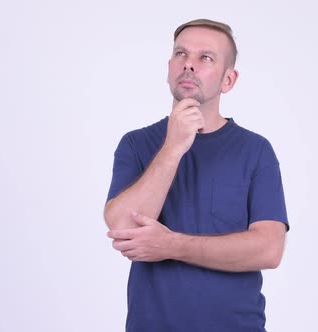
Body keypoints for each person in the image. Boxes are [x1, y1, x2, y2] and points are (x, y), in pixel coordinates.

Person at [104, 18, 289, 332]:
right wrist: (173, 147)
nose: (189, 65)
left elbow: (269, 249)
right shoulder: (136, 144)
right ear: (168, 68)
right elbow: (122, 227)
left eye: (205, 58)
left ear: (228, 80)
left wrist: (172, 245)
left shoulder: (256, 150)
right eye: (181, 54)